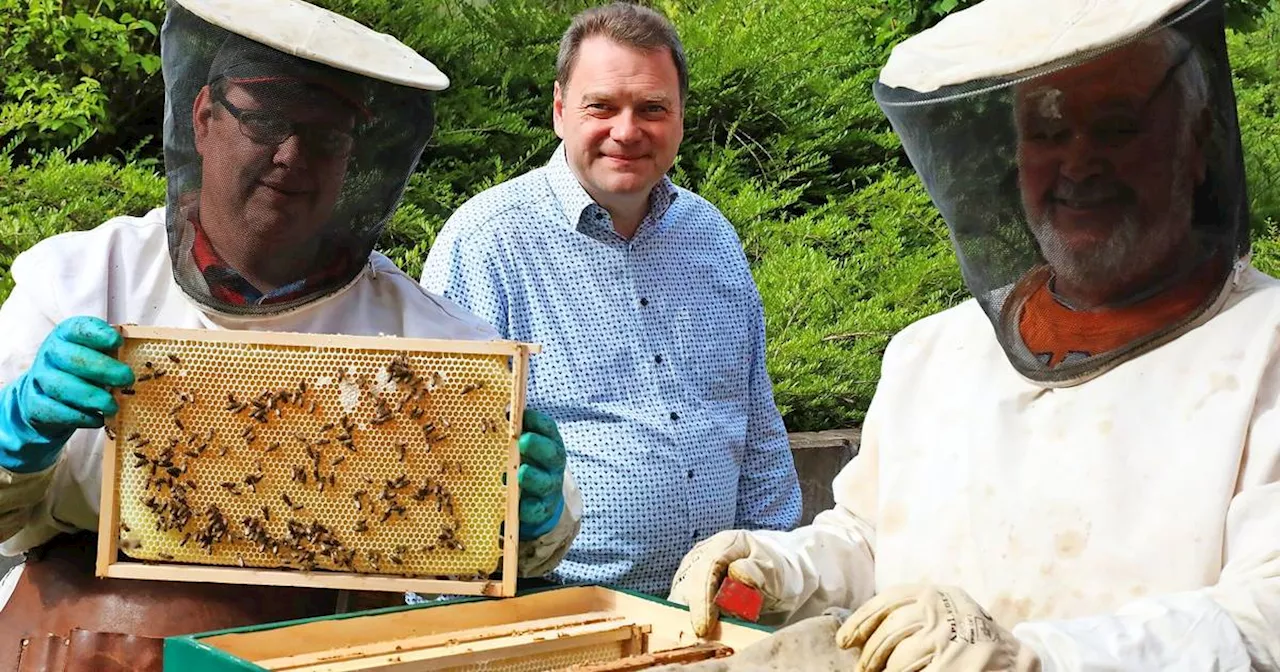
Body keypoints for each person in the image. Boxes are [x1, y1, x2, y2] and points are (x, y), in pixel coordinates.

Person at [668, 0, 1280, 669]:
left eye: (1117, 126)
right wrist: (778, 569)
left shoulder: (1264, 344)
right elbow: (872, 538)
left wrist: (1032, 658)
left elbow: (1263, 620)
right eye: (1047, 132)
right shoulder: (931, 352)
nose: (1079, 163)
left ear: (1196, 144)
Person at [0, 0, 580, 667]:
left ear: (353, 160)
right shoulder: (79, 279)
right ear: (204, 118)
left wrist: (529, 516)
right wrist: (15, 436)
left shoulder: (433, 340)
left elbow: (525, 545)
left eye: (325, 137)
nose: (291, 154)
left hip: (325, 652)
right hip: (74, 645)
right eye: (268, 121)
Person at [420, 2, 801, 595]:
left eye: (652, 108)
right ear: (559, 111)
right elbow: (435, 464)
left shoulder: (713, 237)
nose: (627, 131)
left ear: (679, 119)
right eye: (602, 106)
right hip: (554, 621)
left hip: (715, 617)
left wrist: (775, 568)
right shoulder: (487, 241)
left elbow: (755, 427)